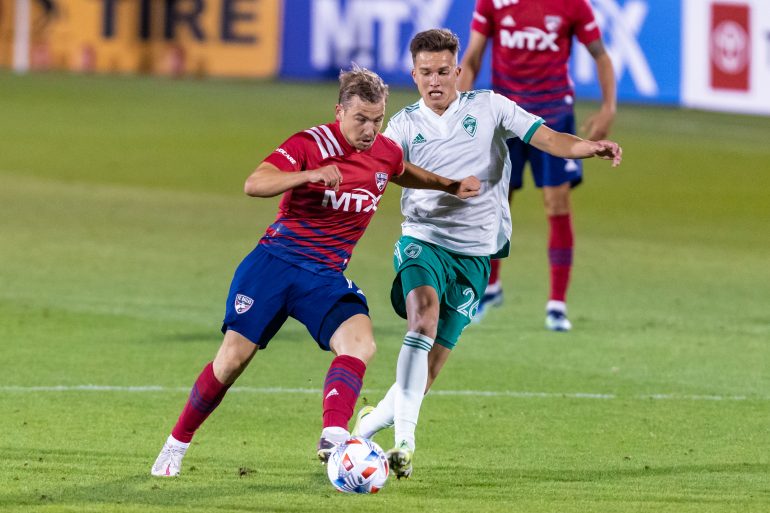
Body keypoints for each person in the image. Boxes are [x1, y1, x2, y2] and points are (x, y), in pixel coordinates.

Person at [150, 65, 481, 477]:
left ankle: (335, 435)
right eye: (360, 118)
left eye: (377, 119)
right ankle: (175, 444)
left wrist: (448, 185)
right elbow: (255, 183)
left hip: (323, 277)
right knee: (231, 362)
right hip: (274, 264)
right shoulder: (311, 143)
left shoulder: (385, 150)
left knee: (361, 344)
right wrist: (307, 175)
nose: (369, 129)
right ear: (339, 110)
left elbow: (399, 171)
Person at [352, 29, 621, 479]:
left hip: (475, 255)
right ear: (413, 74)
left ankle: (369, 425)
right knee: (423, 317)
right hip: (424, 238)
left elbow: (547, 137)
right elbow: (383, 167)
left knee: (431, 366)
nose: (434, 81)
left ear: (458, 71)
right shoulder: (401, 125)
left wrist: (588, 147)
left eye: (443, 71)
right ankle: (405, 442)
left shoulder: (490, 107)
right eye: (425, 73)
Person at [458, 0, 617, 330]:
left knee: (556, 202)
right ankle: (490, 288)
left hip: (554, 116)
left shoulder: (573, 5)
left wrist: (608, 108)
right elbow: (472, 57)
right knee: (494, 201)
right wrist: (459, 105)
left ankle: (557, 304)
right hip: (505, 116)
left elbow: (600, 55)